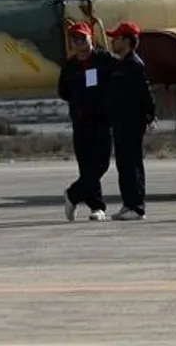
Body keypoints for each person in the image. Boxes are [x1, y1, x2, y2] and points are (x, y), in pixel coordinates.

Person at [57, 21, 117, 222]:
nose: (79, 43)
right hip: (81, 123)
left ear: (91, 38)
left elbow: (116, 81)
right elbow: (63, 92)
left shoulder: (104, 60)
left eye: (82, 38)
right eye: (75, 39)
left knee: (101, 165)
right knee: (87, 167)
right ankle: (97, 207)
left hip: (102, 121)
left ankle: (73, 194)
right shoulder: (70, 67)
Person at [104, 21, 157, 221]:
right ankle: (128, 204)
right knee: (124, 165)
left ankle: (136, 206)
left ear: (126, 40)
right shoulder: (121, 64)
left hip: (131, 123)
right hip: (120, 122)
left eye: (116, 38)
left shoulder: (134, 65)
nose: (113, 41)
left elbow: (145, 94)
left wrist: (149, 115)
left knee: (132, 164)